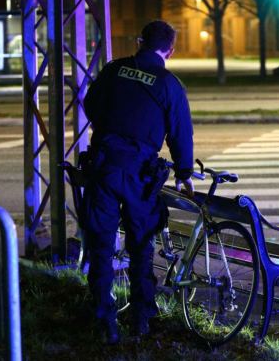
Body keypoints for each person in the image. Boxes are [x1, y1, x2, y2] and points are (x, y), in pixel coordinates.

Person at [82, 20, 195, 344]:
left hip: (103, 168)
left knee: (101, 245)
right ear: (170, 50)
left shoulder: (115, 69)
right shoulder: (169, 83)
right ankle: (142, 318)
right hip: (140, 176)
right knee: (141, 245)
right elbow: (180, 134)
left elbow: (90, 106)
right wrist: (184, 173)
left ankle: (105, 321)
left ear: (139, 41)